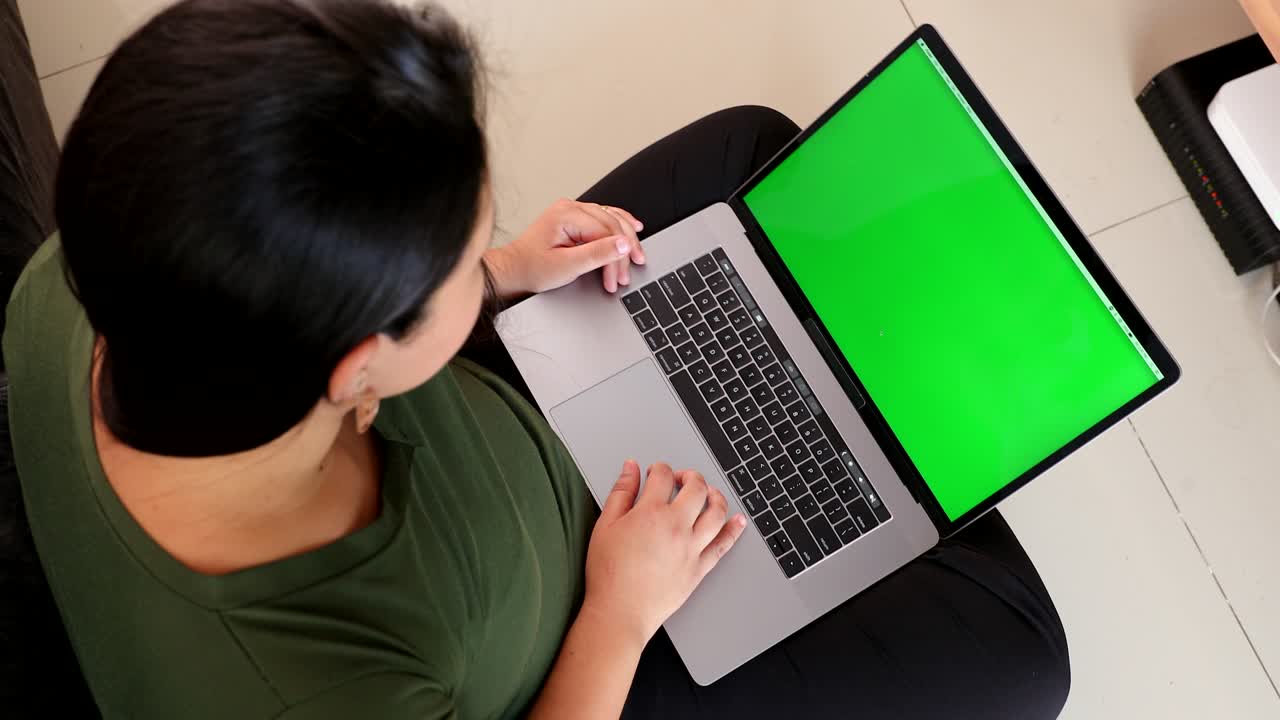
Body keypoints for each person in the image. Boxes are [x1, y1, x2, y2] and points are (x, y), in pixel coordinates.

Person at [2, 0, 1071, 717]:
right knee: (1020, 644)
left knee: (752, 147)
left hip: (500, 418)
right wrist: (617, 612)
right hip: (590, 629)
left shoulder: (82, 268)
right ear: (354, 369)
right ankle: (858, 466)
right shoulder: (311, 691)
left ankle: (832, 435)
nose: (492, 253)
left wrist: (508, 275)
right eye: (465, 255)